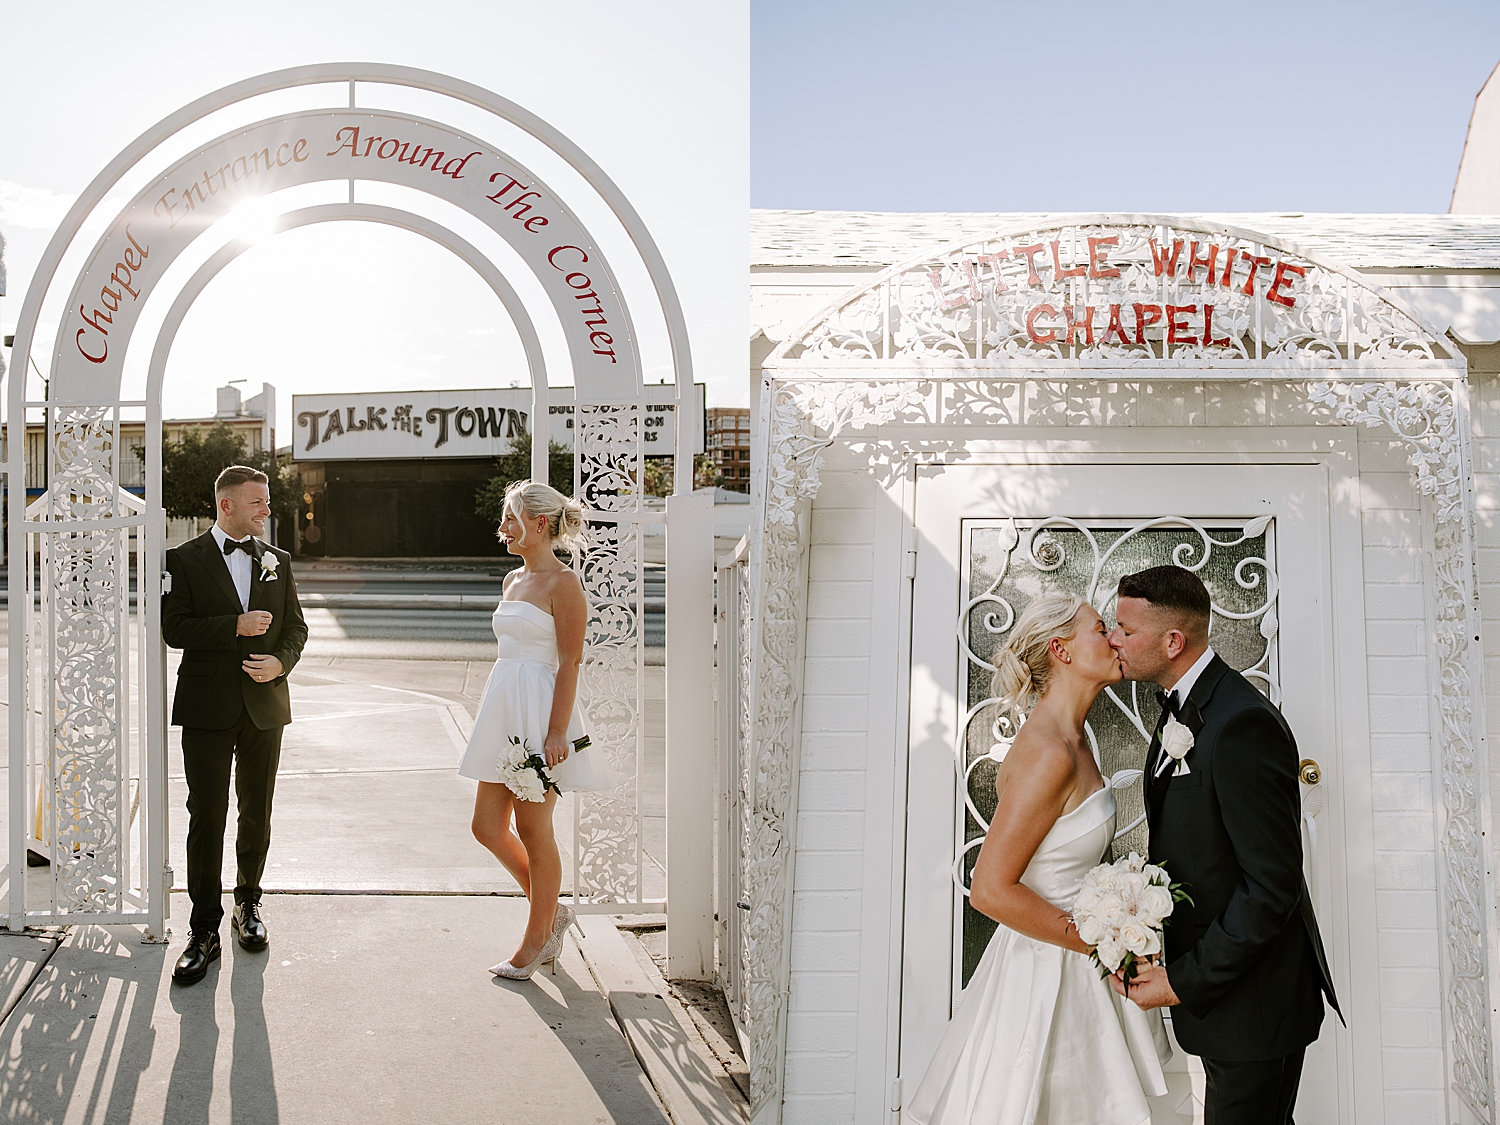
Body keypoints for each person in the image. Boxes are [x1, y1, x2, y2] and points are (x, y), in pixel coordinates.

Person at [908, 593, 1169, 1125]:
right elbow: (990, 888)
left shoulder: (1076, 740)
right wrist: (1104, 941)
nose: (1116, 639)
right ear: (1062, 650)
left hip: (1074, 958)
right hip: (1050, 971)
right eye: (1101, 629)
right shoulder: (1049, 752)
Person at [1107, 565, 1341, 1125]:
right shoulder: (1185, 708)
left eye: (1125, 628)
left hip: (1255, 1007)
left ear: (1172, 641)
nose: (1113, 639)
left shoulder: (1241, 723)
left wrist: (1183, 981)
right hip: (1227, 1004)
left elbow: (1271, 887)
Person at [162, 465, 307, 986]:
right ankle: (202, 929)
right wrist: (235, 626)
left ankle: (249, 904)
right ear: (227, 505)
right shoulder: (181, 559)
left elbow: (296, 628)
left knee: (256, 809)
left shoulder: (278, 561)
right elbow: (172, 628)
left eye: (266, 500)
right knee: (206, 815)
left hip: (265, 708)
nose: (267, 509)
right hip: (206, 709)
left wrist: (281, 664)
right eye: (257, 502)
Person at [457, 480, 594, 979]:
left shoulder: (565, 585)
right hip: (503, 709)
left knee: (535, 828)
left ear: (539, 524)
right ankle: (552, 911)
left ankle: (536, 941)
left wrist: (556, 732)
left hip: (540, 714)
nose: (503, 529)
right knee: (486, 827)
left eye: (511, 519)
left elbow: (570, 663)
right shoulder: (512, 580)